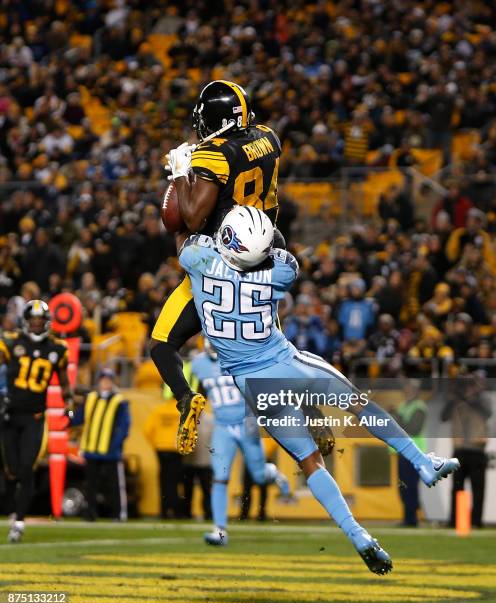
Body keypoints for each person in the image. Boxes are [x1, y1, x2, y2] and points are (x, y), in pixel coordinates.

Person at [178, 206, 461, 575]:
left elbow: (188, 239)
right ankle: (423, 463)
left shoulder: (196, 260)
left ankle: (359, 535)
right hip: (285, 365)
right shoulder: (277, 273)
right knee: (358, 405)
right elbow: (281, 255)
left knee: (310, 461)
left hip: (251, 387)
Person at [150, 80, 285, 456]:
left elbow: (191, 219)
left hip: (219, 268)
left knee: (162, 345)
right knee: (273, 359)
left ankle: (185, 399)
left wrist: (181, 172)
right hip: (262, 260)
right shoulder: (269, 138)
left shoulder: (215, 154)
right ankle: (305, 413)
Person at [191, 339, 290, 546]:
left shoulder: (240, 356)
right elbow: (198, 392)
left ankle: (276, 476)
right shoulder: (198, 364)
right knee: (219, 477)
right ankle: (219, 531)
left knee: (260, 476)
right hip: (222, 426)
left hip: (247, 423)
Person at [0, 300, 72, 543]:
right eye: (33, 320)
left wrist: (69, 404)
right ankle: (12, 508)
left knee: (26, 469)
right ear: (26, 321)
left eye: (40, 320)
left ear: (47, 321)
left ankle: (19, 522)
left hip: (34, 418)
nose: (36, 324)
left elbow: (63, 382)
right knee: (11, 470)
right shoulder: (11, 342)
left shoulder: (57, 348)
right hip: (9, 416)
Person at [69, 369, 130, 521]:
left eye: (108, 380)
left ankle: (117, 514)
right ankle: (90, 513)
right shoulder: (91, 398)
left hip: (109, 450)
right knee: (90, 485)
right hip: (91, 448)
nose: (105, 383)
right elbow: (78, 418)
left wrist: (116, 445)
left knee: (113, 485)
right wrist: (67, 414)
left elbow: (124, 426)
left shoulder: (119, 401)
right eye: (103, 380)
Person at [441, 372, 491, 528]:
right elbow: (443, 416)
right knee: (457, 487)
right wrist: (455, 395)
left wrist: (468, 396)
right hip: (460, 449)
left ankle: (476, 521)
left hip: (477, 449)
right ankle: (454, 520)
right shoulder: (456, 400)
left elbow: (487, 412)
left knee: (478, 489)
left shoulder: (484, 399)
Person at [391, 380, 427, 527]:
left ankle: (412, 518)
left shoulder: (419, 407)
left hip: (413, 452)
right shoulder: (404, 406)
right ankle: (408, 517)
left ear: (416, 390)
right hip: (403, 451)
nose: (406, 391)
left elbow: (414, 428)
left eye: (409, 388)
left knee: (410, 486)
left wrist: (396, 417)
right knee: (404, 486)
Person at [142, 398, 184, 519]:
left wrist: (155, 443)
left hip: (161, 448)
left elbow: (147, 430)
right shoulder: (181, 411)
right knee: (175, 481)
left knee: (163, 479)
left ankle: (164, 510)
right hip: (176, 449)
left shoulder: (159, 410)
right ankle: (176, 511)